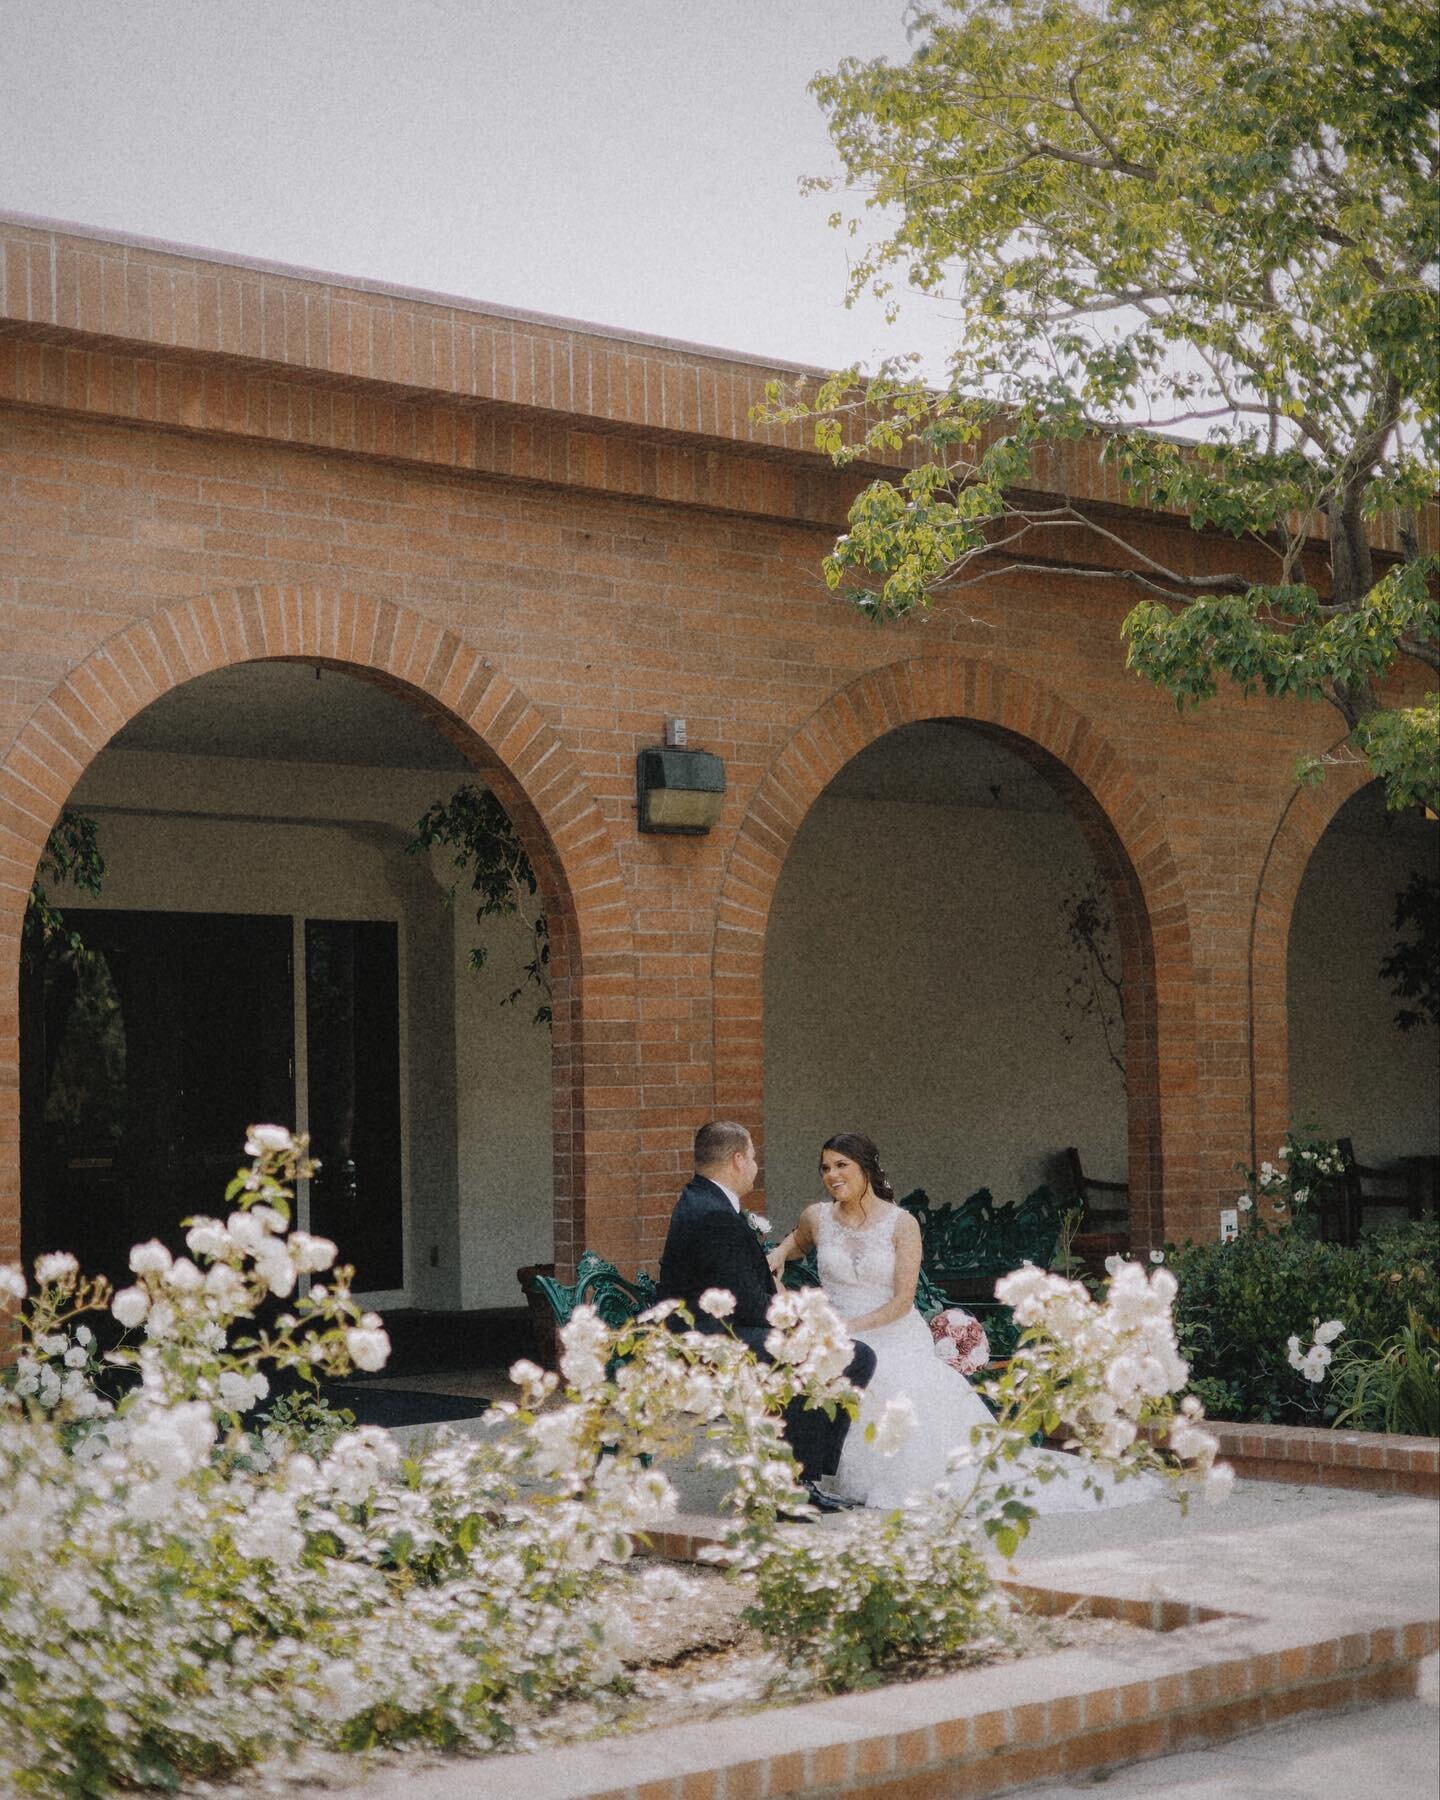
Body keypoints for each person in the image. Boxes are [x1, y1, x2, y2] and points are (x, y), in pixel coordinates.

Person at [767, 1132, 1154, 1512]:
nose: (832, 1175)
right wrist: (781, 1252)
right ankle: (817, 1475)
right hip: (839, 1340)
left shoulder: (901, 1224)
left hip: (891, 1333)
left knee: (893, 1382)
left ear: (866, 1167)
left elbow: (902, 1303)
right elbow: (800, 1241)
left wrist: (843, 1329)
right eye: (825, 1168)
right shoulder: (817, 1217)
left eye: (842, 1165)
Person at [658, 1120, 876, 1513]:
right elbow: (746, 1304)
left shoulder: (702, 1199)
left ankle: (797, 1477)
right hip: (712, 1339)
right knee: (849, 1356)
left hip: (712, 1329)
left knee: (836, 1353)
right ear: (738, 1160)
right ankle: (795, 1482)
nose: (757, 1167)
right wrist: (805, 1322)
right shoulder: (716, 1215)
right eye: (754, 1158)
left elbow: (739, 1290)